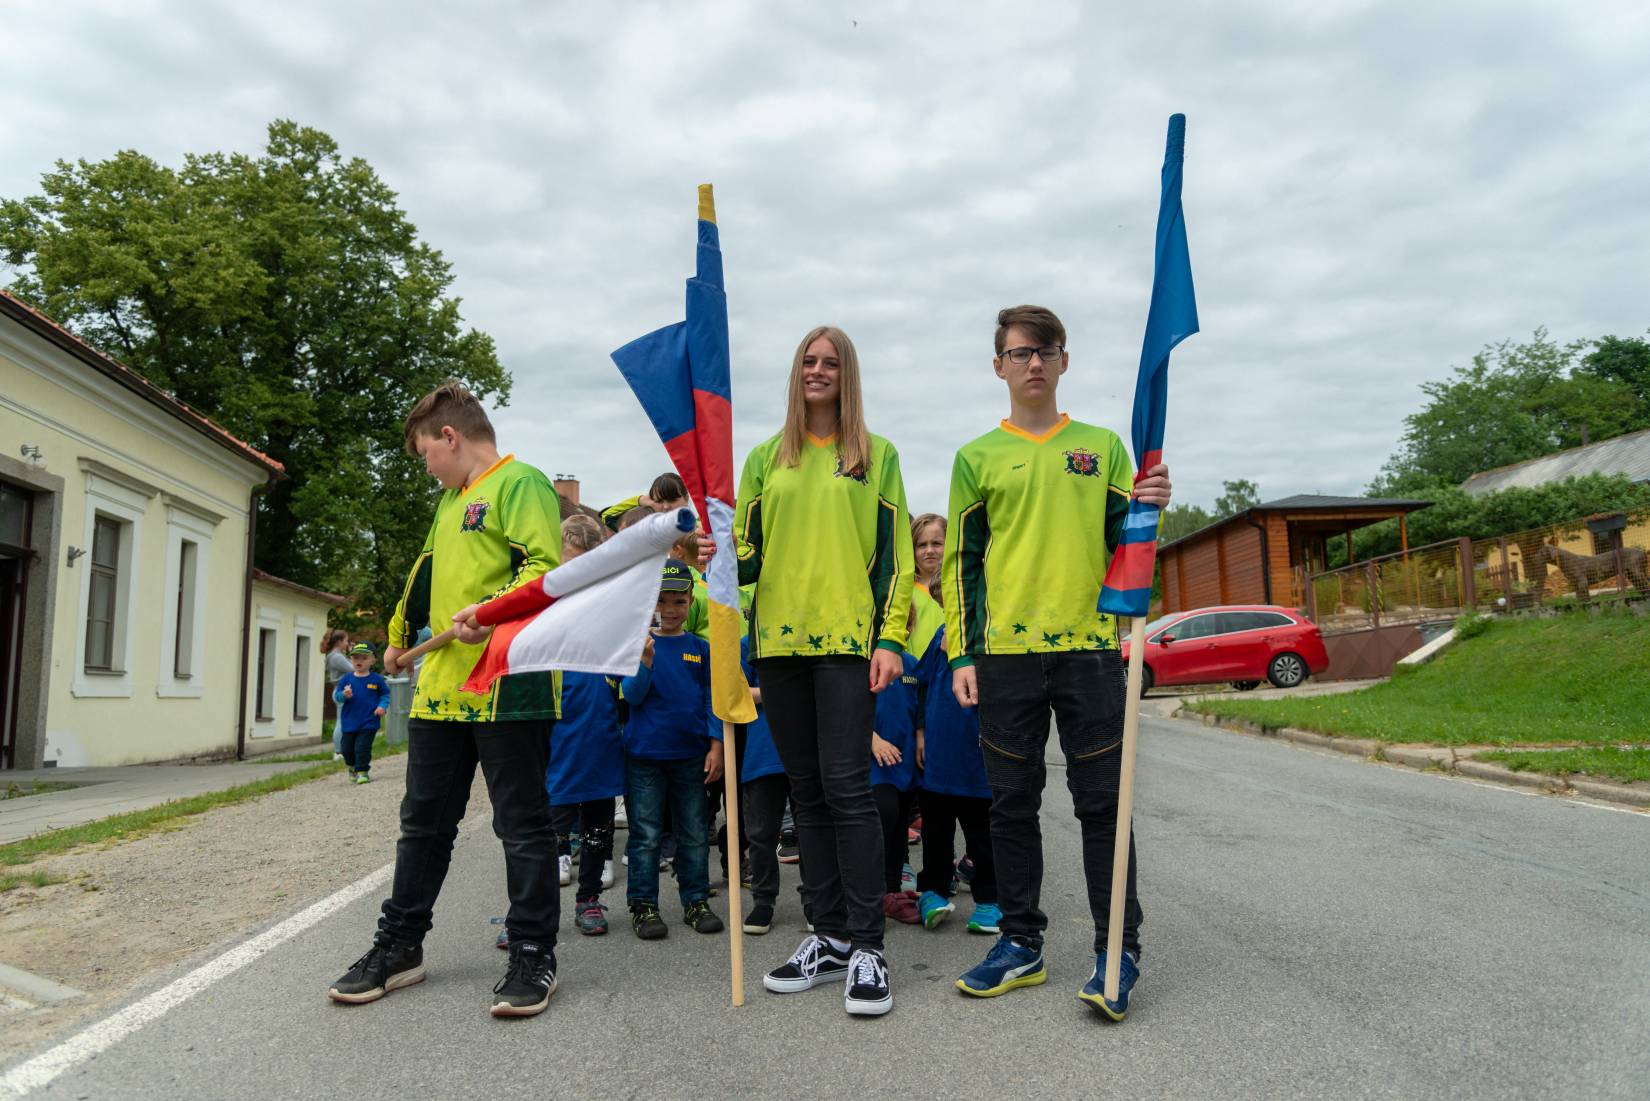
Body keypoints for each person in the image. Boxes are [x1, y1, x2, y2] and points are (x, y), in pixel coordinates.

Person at [943, 305, 1171, 1021]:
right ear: (999, 366)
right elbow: (960, 564)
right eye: (1019, 352)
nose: (1033, 362)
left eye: (1045, 350)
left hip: (1089, 651)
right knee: (1011, 805)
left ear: (1064, 361)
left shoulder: (1101, 448)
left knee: (1103, 803)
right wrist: (961, 651)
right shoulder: (976, 457)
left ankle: (1117, 948)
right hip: (1004, 655)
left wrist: (1151, 504)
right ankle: (1020, 943)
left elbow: (1128, 542)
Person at [327, 378, 563, 1020]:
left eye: (426, 452)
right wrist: (398, 636)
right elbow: (425, 573)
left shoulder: (521, 484)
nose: (426, 466)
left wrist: (490, 610)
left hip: (509, 686)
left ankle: (533, 953)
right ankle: (399, 945)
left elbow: (543, 570)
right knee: (423, 825)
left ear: (451, 437)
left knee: (523, 826)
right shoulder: (450, 501)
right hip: (440, 691)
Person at [735, 325, 914, 1017]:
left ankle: (868, 945)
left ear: (847, 375)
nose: (816, 371)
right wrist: (706, 547)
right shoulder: (764, 459)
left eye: (829, 363)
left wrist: (890, 638)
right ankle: (829, 934)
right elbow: (746, 557)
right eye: (807, 361)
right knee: (805, 792)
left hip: (846, 642)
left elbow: (896, 557)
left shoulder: (875, 456)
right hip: (778, 645)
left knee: (847, 788)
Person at [620, 561, 726, 940]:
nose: (670, 609)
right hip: (645, 758)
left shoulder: (700, 648)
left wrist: (716, 745)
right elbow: (631, 696)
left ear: (691, 602)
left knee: (694, 833)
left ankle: (696, 900)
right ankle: (643, 905)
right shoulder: (636, 645)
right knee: (646, 835)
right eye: (661, 600)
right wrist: (645, 663)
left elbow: (712, 699)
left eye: (679, 601)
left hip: (691, 757)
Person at [544, 515, 624, 937]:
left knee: (597, 829)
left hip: (599, 735)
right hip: (554, 737)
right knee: (545, 833)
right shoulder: (542, 607)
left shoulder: (610, 608)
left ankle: (589, 899)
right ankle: (533, 914)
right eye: (568, 563)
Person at [912, 599, 998, 935]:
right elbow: (922, 685)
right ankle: (932, 892)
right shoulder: (940, 635)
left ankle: (990, 900)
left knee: (982, 835)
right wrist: (920, 732)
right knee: (936, 832)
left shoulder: (993, 637)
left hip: (978, 761)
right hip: (938, 757)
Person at [737, 635, 790, 934]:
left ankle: (816, 902)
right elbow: (736, 695)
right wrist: (783, 691)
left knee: (813, 832)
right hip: (763, 753)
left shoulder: (809, 638)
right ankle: (763, 901)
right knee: (760, 834)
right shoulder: (749, 643)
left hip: (806, 751)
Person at [870, 634, 922, 925]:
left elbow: (920, 709)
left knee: (900, 825)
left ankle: (891, 893)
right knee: (883, 815)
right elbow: (846, 707)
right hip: (874, 760)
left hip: (905, 760)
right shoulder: (864, 662)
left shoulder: (912, 665)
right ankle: (868, 894)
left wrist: (921, 739)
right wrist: (871, 739)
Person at [332, 643, 388, 784]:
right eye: (356, 657)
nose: (359, 661)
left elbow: (385, 695)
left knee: (362, 748)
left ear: (372, 660)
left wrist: (382, 706)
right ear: (351, 659)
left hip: (369, 721)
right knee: (346, 749)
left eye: (364, 658)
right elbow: (337, 696)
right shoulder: (346, 679)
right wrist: (344, 695)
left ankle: (363, 772)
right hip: (349, 722)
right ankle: (352, 767)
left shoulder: (377, 679)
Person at [599, 472, 692, 533]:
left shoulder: (698, 531)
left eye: (672, 500)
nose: (666, 506)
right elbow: (607, 516)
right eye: (659, 501)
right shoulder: (648, 532)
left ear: (686, 498)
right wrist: (640, 500)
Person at [322, 630, 352, 754]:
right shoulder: (337, 657)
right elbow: (354, 669)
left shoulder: (335, 655)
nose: (347, 643)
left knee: (343, 721)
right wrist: (352, 654)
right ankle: (338, 751)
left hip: (340, 690)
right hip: (342, 691)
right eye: (346, 641)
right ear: (339, 642)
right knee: (341, 722)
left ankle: (342, 750)